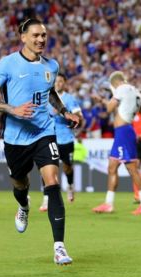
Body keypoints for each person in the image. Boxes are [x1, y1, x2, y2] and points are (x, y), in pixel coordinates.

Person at [0, 18, 81, 265]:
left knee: (52, 181)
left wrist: (64, 111)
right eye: (35, 35)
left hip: (44, 132)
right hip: (15, 138)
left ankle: (59, 247)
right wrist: (12, 110)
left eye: (44, 35)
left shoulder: (51, 66)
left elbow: (50, 93)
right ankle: (24, 206)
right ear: (23, 37)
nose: (41, 40)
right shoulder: (7, 64)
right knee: (20, 183)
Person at [91, 71, 141, 215]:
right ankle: (108, 203)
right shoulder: (136, 92)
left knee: (132, 169)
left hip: (123, 133)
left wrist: (102, 101)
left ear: (116, 83)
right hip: (124, 132)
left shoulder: (121, 89)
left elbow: (109, 109)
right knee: (112, 167)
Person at [40, 73, 83, 211]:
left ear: (64, 83)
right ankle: (46, 199)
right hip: (49, 137)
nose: (58, 84)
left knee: (67, 167)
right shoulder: (46, 99)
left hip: (66, 138)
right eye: (56, 82)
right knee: (48, 169)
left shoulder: (69, 99)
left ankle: (70, 186)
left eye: (60, 82)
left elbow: (79, 117)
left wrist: (66, 115)